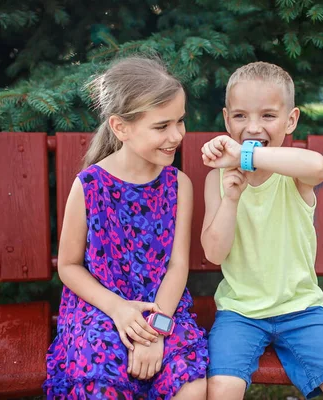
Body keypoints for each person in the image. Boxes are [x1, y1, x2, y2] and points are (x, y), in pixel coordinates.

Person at [44, 56, 208, 400]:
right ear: (120, 127)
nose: (176, 135)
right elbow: (69, 265)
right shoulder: (89, 185)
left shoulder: (179, 185)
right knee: (100, 379)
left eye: (180, 121)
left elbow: (178, 265)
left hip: (162, 307)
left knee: (190, 381)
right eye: (162, 126)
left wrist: (157, 331)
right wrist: (119, 309)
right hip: (100, 308)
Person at [200, 61, 323, 400]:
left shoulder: (294, 172)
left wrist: (246, 156)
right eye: (241, 116)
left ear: (291, 120)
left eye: (268, 116)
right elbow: (214, 253)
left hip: (301, 309)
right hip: (240, 312)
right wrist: (231, 198)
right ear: (227, 119)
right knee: (221, 388)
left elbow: (318, 166)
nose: (253, 127)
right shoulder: (216, 180)